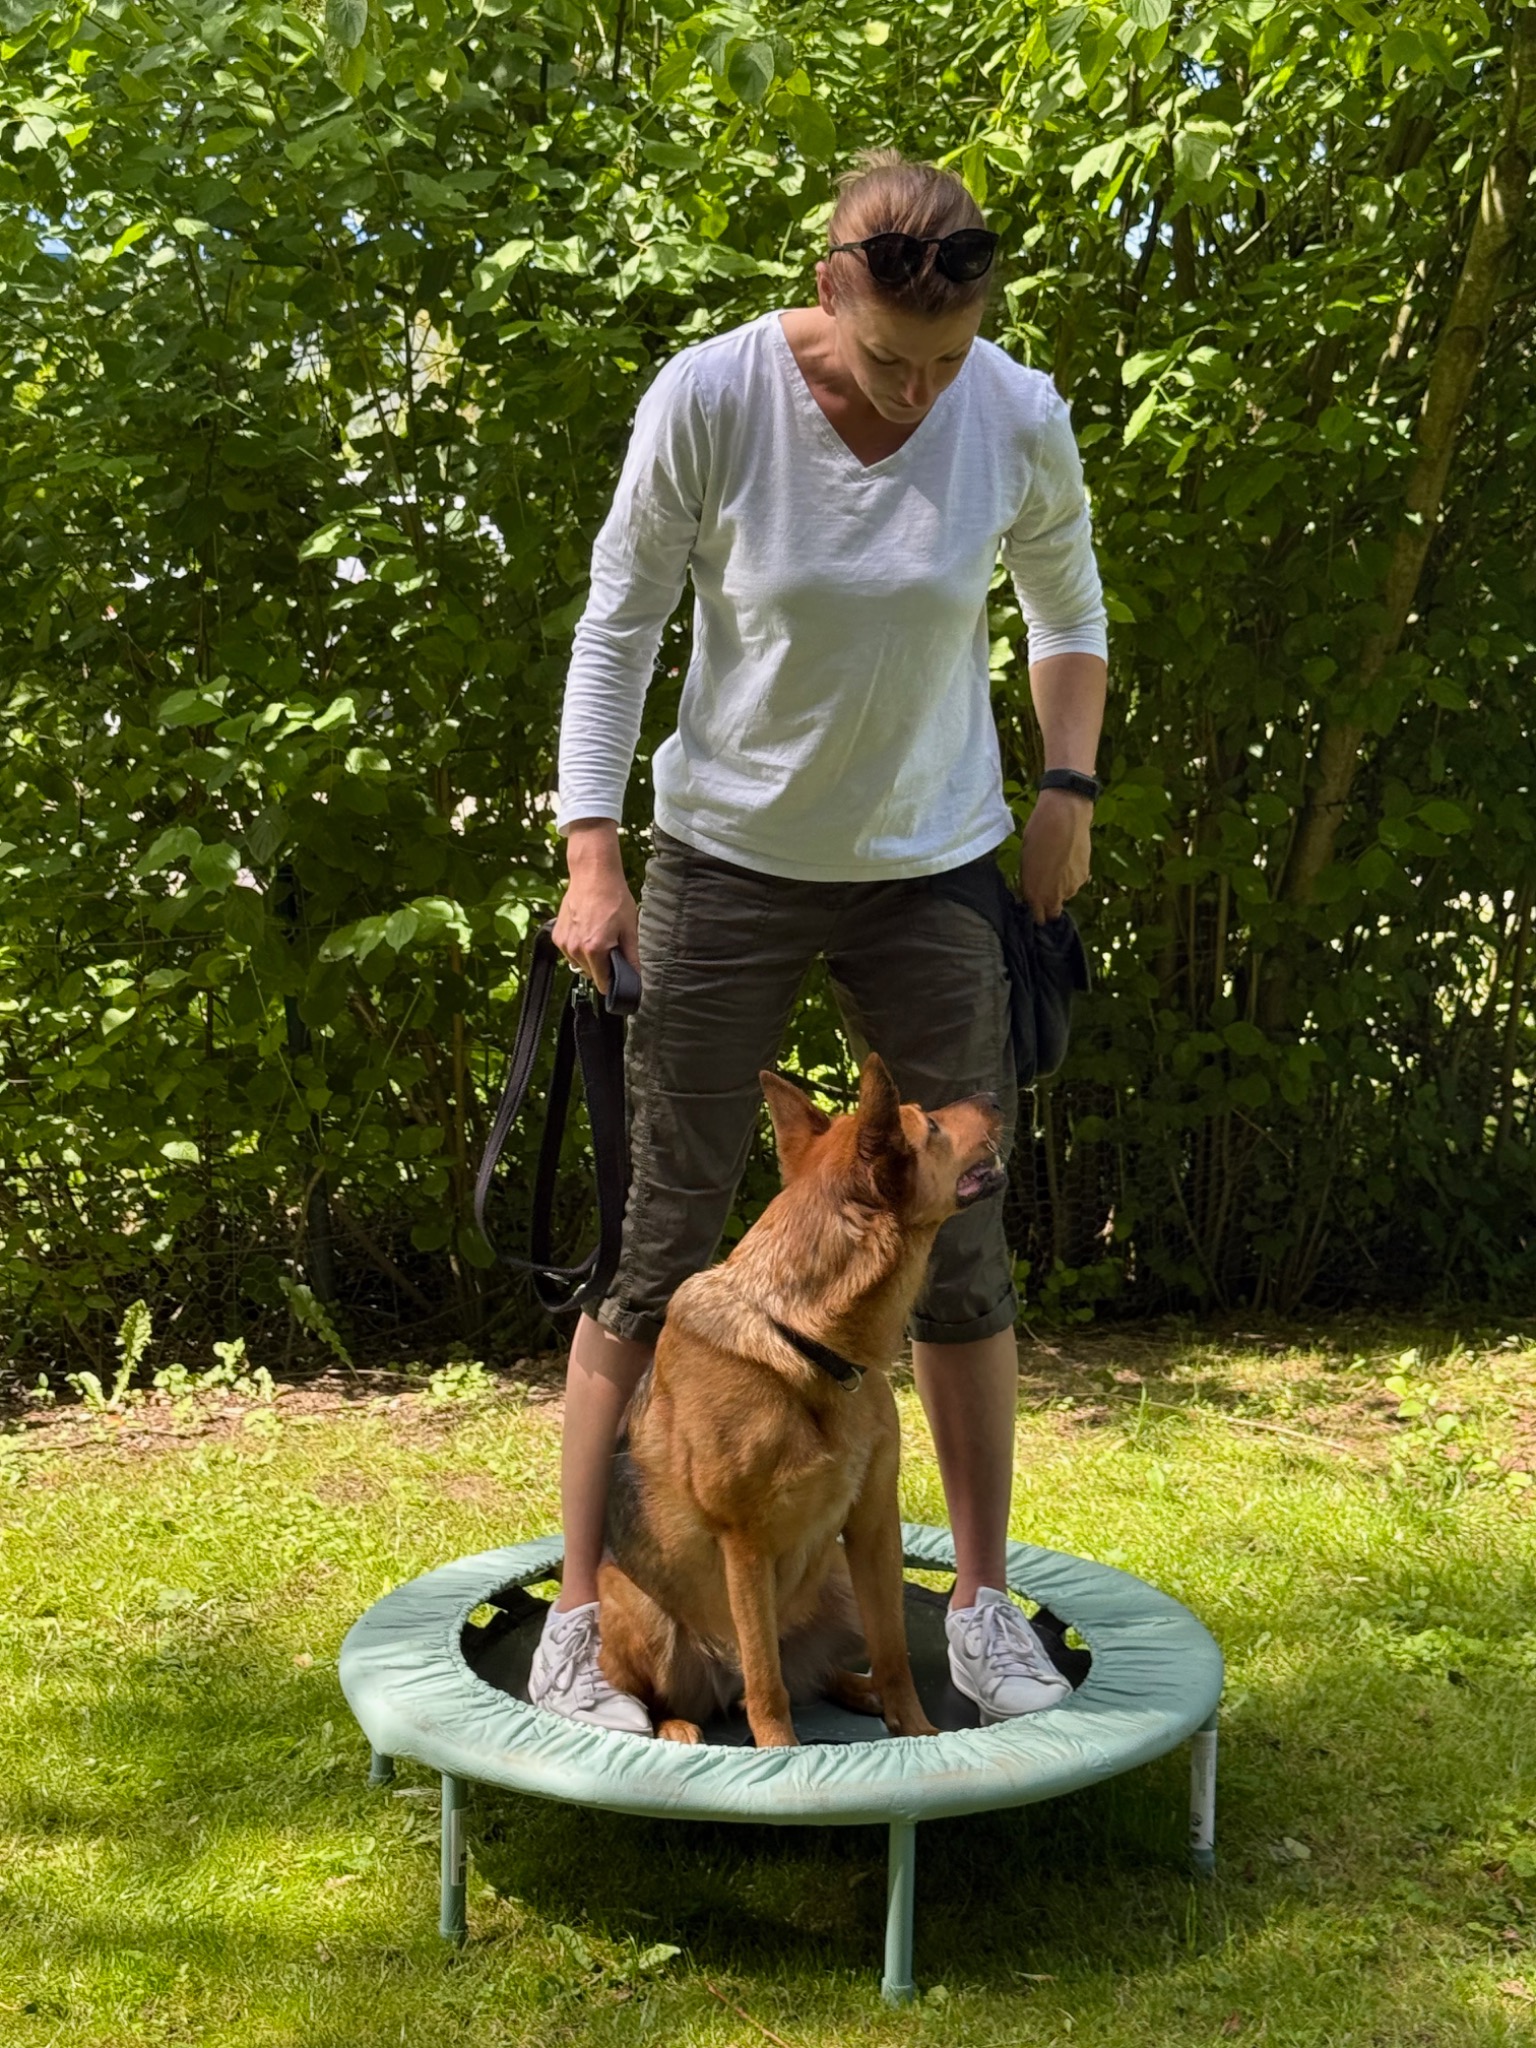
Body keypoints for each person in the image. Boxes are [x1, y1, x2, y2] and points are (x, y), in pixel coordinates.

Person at [527, 149, 1108, 1736]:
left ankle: (977, 1611)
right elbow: (619, 616)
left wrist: (1066, 786)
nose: (923, 393)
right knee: (656, 1241)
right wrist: (593, 847)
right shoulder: (712, 400)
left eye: (951, 358)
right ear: (833, 286)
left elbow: (1069, 606)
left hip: (934, 868)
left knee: (966, 1245)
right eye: (893, 360)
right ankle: (586, 1615)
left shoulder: (1012, 408)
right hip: (727, 858)